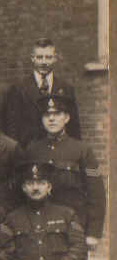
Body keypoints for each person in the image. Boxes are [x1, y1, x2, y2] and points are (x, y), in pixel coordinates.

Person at [24, 94, 105, 247]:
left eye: (57, 114)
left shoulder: (82, 150)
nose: (52, 119)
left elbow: (97, 193)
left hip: (73, 228)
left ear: (66, 118)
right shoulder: (32, 149)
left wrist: (93, 232)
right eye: (47, 115)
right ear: (42, 119)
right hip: (40, 229)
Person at [5, 37, 81, 146]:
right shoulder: (18, 88)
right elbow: (12, 128)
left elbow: (74, 126)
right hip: (29, 152)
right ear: (33, 58)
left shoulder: (66, 88)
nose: (44, 62)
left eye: (48, 57)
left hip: (59, 151)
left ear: (55, 58)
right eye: (40, 57)